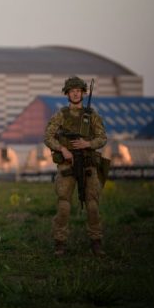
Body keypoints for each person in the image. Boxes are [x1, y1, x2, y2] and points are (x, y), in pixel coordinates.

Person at [43, 76, 107, 257]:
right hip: (67, 165)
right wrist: (62, 149)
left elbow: (102, 138)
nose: (76, 93)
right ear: (67, 94)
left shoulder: (92, 115)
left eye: (78, 91)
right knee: (64, 206)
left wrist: (88, 144)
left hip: (88, 164)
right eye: (72, 91)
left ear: (83, 93)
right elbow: (48, 137)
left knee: (93, 206)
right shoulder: (60, 115)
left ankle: (96, 242)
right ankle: (60, 243)